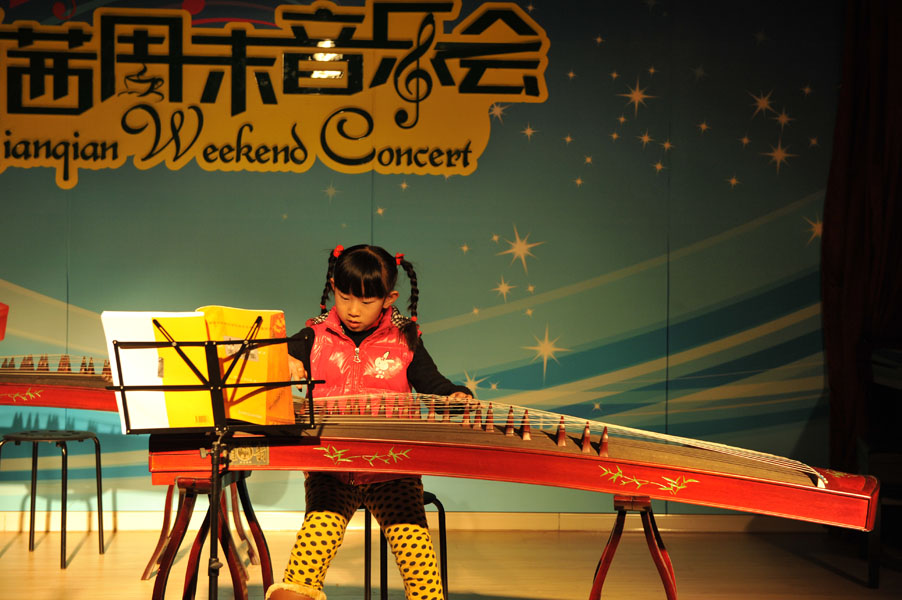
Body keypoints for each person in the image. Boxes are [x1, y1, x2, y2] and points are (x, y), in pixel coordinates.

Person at [266, 244, 472, 600]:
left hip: (393, 471)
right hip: (331, 471)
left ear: (389, 299)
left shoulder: (405, 339)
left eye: (366, 301)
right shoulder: (314, 335)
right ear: (333, 287)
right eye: (344, 297)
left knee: (419, 564)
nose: (353, 310)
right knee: (306, 560)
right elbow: (263, 360)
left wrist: (456, 395)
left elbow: (434, 384)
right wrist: (280, 360)